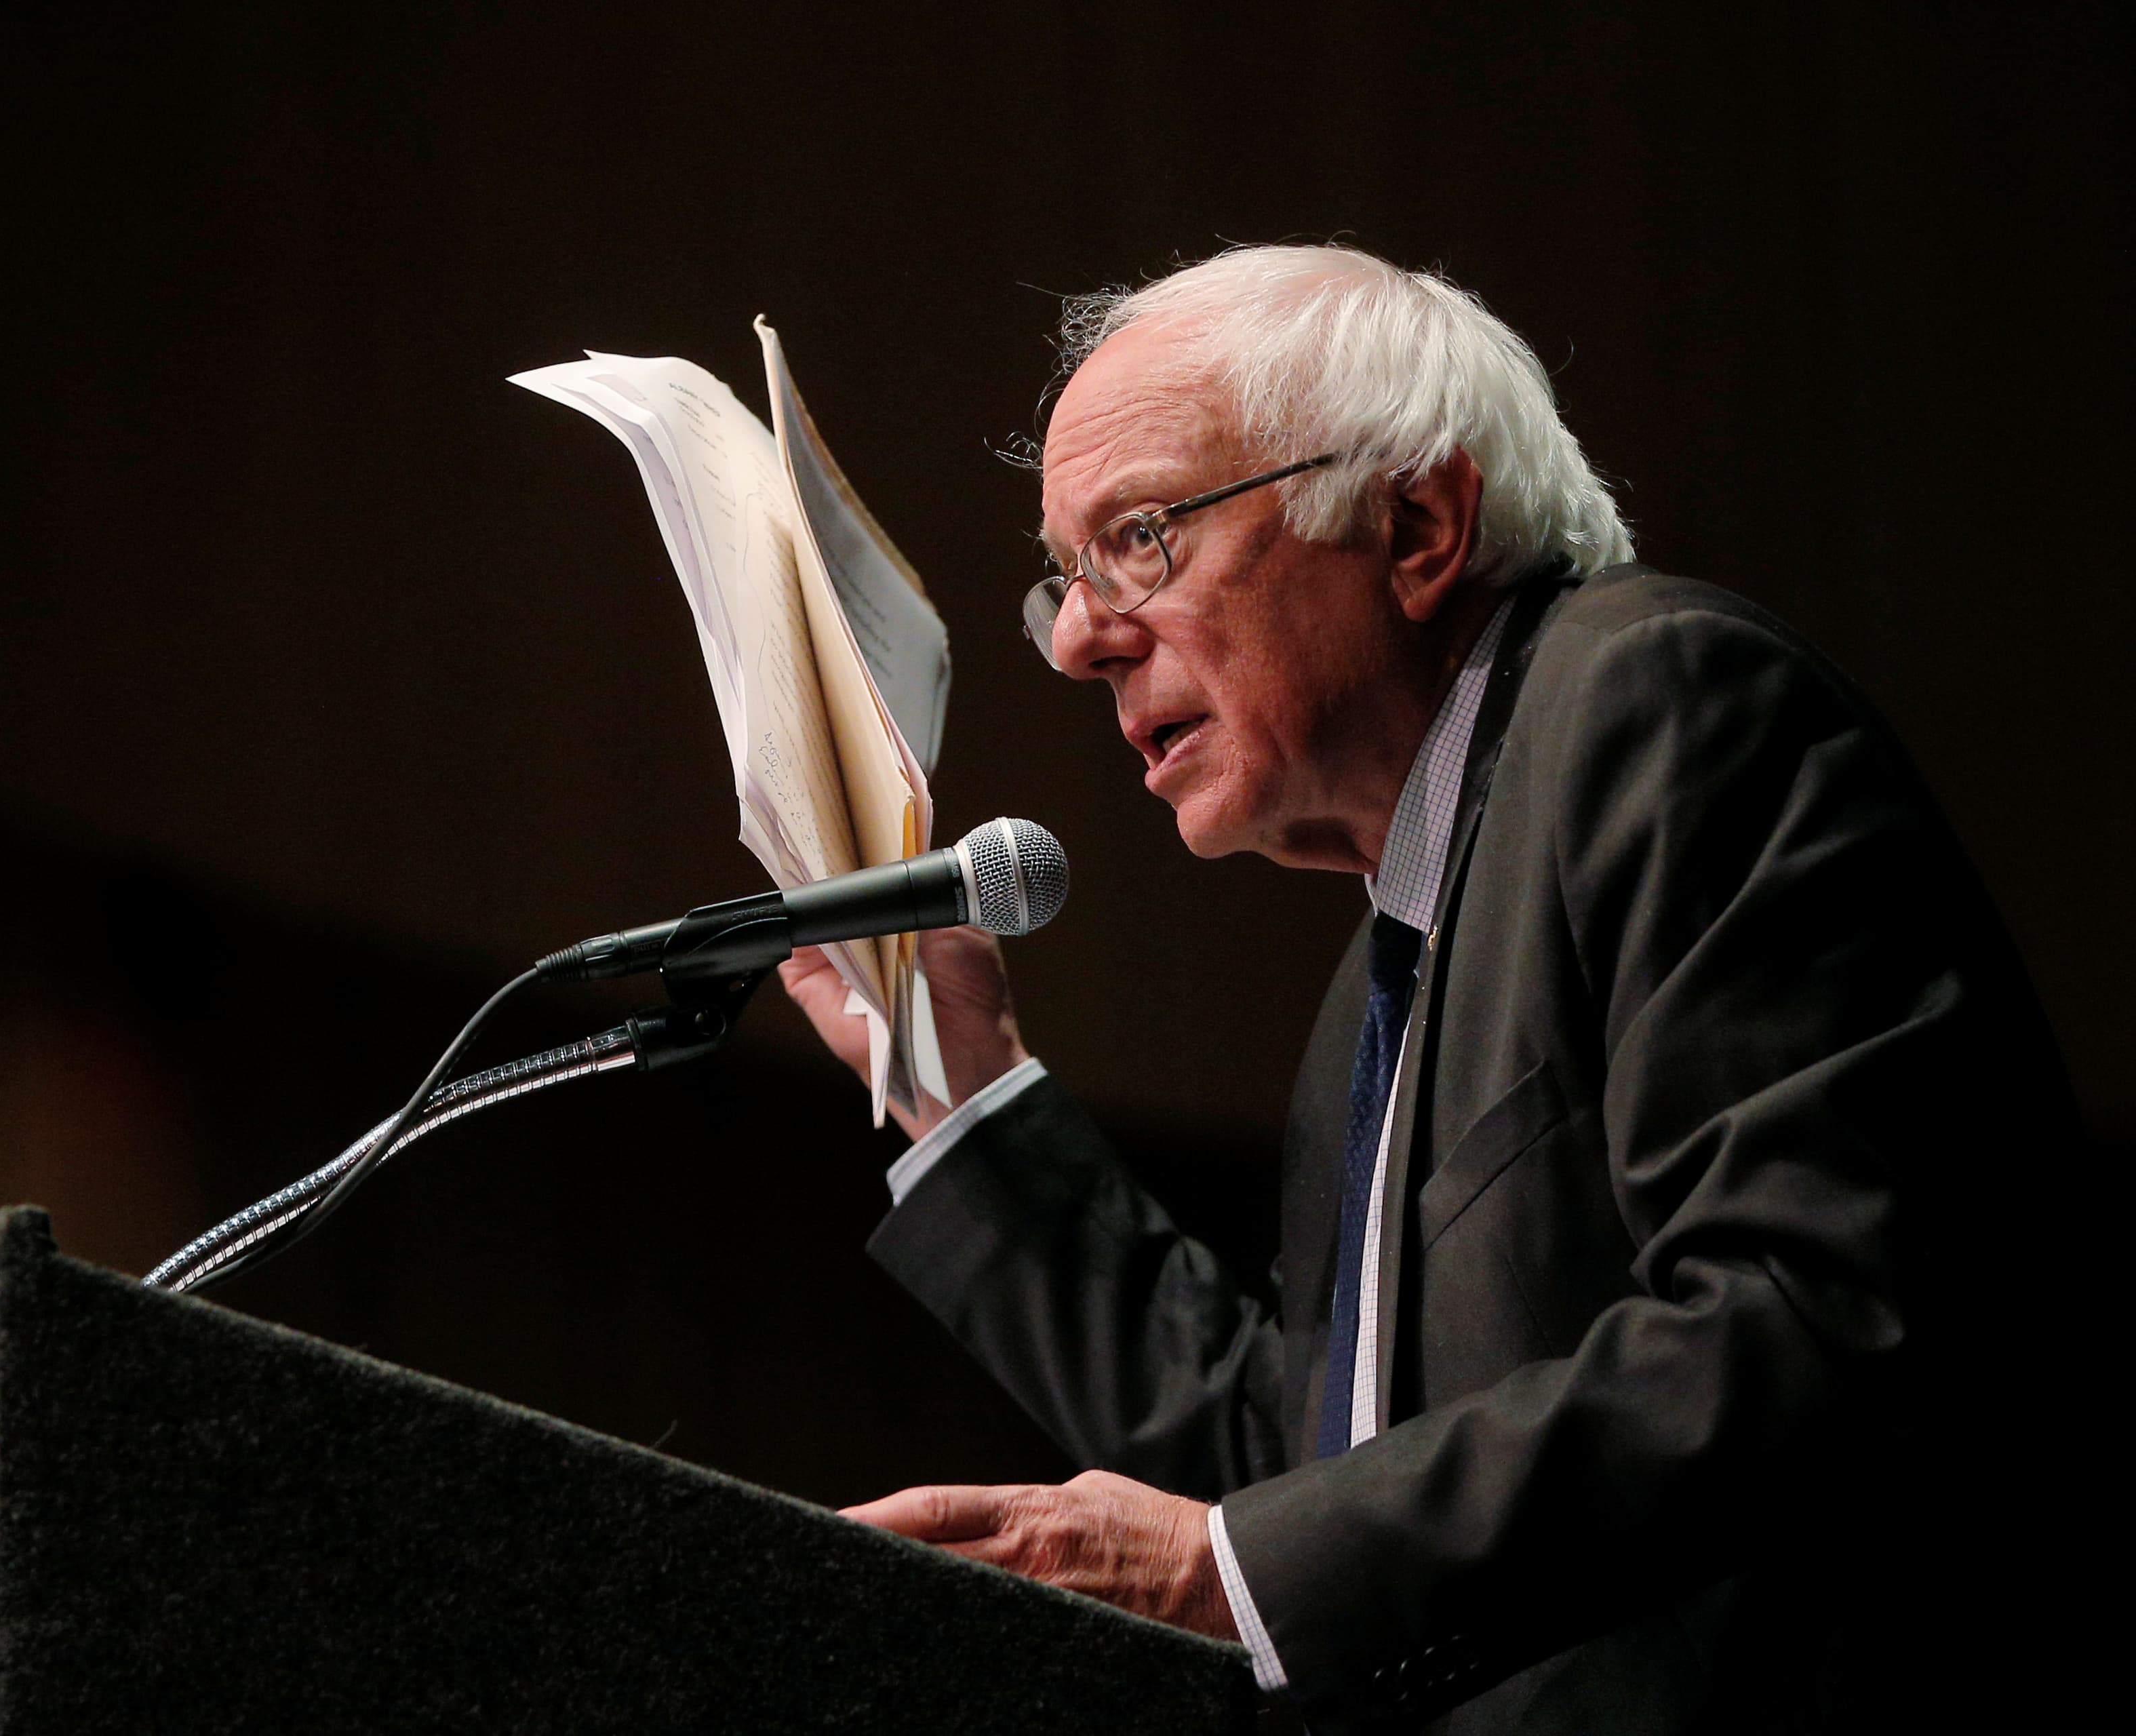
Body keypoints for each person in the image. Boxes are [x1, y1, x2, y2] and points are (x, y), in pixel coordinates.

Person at [777, 245, 2075, 1733]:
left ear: (1416, 522)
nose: (1078, 637)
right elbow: (1319, 1470)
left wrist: (1236, 1559)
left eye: (1141, 538)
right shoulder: (1391, 969)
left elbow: (1813, 1312)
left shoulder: (1660, 706)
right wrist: (962, 1082)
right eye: (1065, 578)